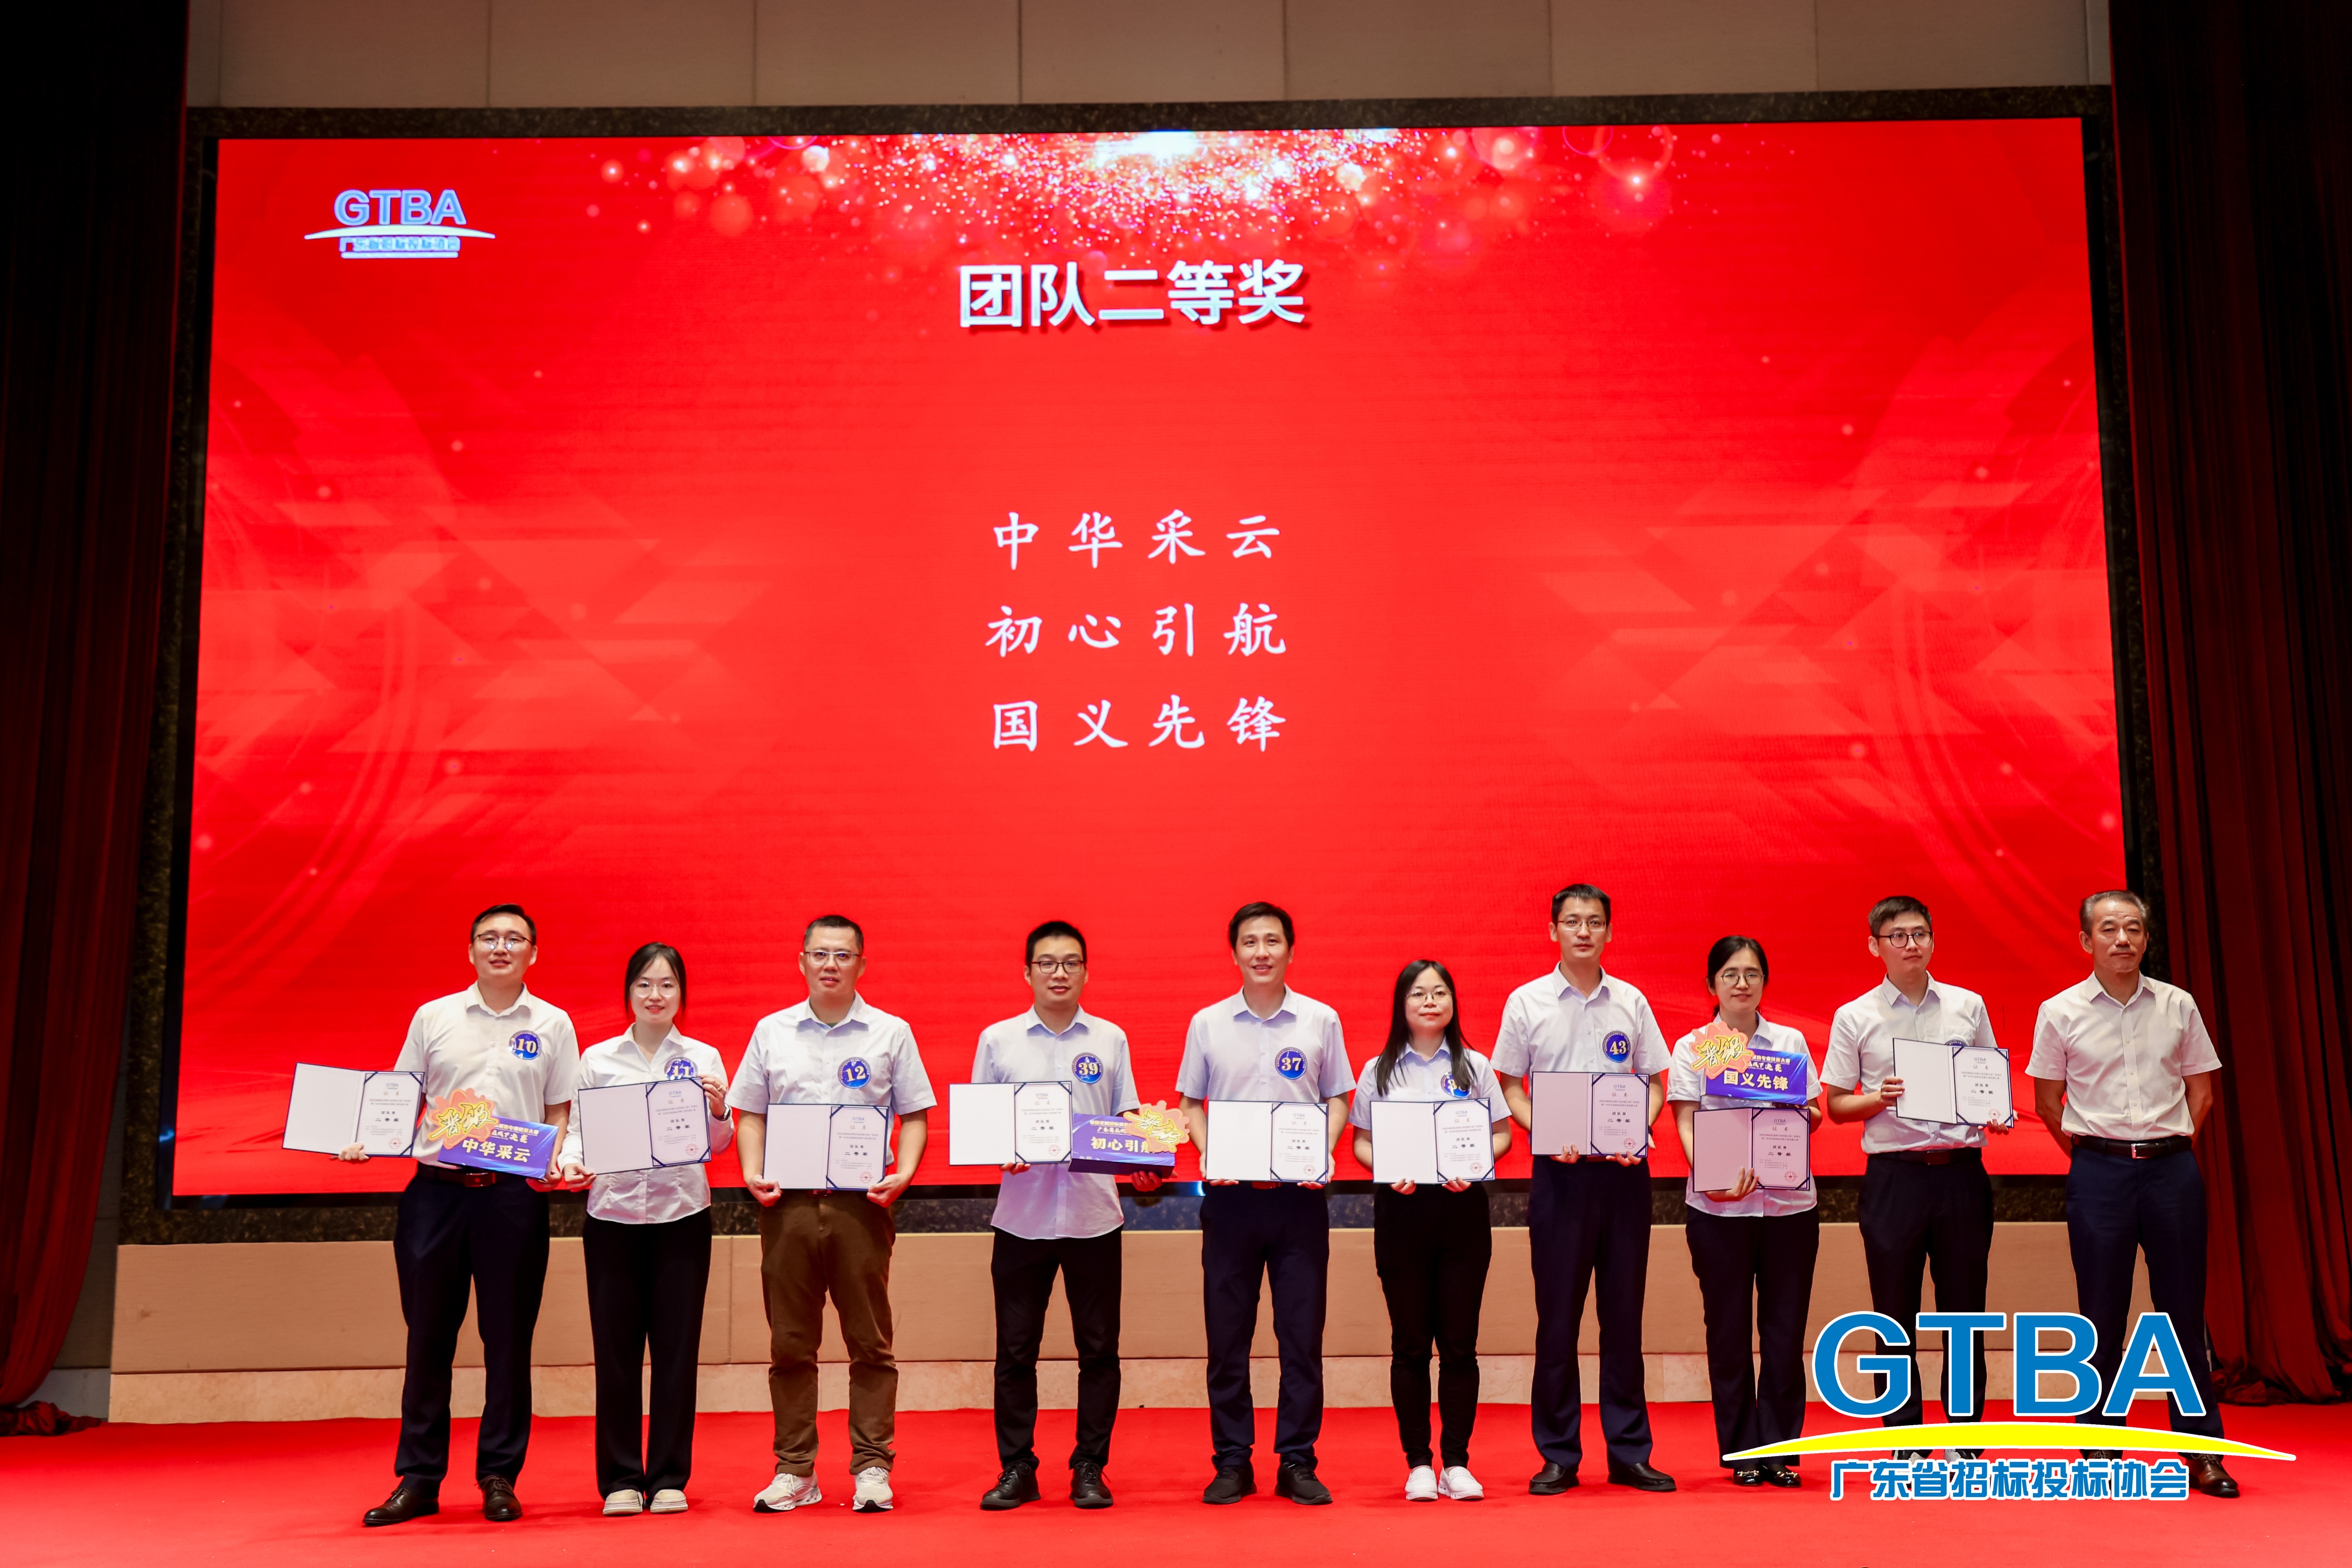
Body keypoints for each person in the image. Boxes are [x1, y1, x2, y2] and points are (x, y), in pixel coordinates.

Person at [341, 903, 580, 1528]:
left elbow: (559, 1109)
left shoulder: (553, 1023)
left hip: (512, 1199)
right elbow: (399, 1099)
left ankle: (499, 1475)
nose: (501, 947)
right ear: (470, 950)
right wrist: (364, 1138)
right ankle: (419, 1479)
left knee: (508, 1340)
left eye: (514, 939)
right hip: (436, 1197)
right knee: (427, 1338)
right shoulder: (435, 1016)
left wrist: (555, 1158)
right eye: (488, 938)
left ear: (534, 953)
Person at [2027, 891, 2237, 1498]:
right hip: (2099, 1175)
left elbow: (2202, 1093)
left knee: (2182, 1315)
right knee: (2100, 1314)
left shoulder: (2177, 1004)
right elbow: (2048, 1102)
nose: (2123, 939)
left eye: (2134, 929)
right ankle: (2099, 1448)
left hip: (2172, 1173)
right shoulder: (2059, 1011)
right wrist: (2097, 1157)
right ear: (2085, 940)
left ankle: (2202, 1450)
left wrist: (2168, 1148)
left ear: (2146, 939)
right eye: (2109, 929)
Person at [728, 916, 933, 1515]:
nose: (830, 965)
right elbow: (750, 1112)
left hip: (860, 1208)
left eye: (843, 955)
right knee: (791, 1345)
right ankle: (795, 1470)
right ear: (801, 961)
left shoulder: (891, 1032)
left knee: (870, 1342)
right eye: (820, 953)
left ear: (861, 965)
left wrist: (904, 1173)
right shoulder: (772, 1031)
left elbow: (915, 1115)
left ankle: (872, 1465)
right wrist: (751, 1169)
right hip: (787, 1206)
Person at [972, 920, 1167, 1512]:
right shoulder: (998, 1040)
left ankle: (1090, 1467)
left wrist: (1148, 1158)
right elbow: (983, 1122)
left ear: (1085, 971)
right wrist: (999, 1148)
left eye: (1071, 963)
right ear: (1027, 971)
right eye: (1047, 963)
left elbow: (1127, 1118)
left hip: (1093, 1219)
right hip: (1020, 1219)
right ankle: (1017, 1468)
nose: (1059, 973)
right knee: (1015, 1353)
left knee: (1099, 1351)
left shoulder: (1110, 1039)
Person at [1494, 883, 1676, 1494]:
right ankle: (1558, 1455)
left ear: (1608, 932)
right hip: (1559, 1179)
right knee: (1557, 1322)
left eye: (1594, 922)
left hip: (1623, 1177)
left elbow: (1654, 1081)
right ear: (1553, 931)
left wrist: (1638, 1129)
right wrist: (1544, 1132)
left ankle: (1629, 1452)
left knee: (1623, 1319)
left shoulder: (1631, 1001)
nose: (1583, 932)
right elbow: (1510, 1086)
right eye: (1571, 922)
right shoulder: (1526, 1002)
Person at [1177, 901, 1354, 1506]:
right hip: (1230, 1205)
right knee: (1227, 1339)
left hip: (1298, 1204)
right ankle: (1232, 1461)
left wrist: (1322, 1151)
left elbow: (1338, 1098)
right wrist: (1209, 1154)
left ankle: (1297, 1460)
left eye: (1272, 941)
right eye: (1250, 942)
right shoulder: (1207, 1023)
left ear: (1290, 951)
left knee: (1300, 1338)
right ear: (1234, 954)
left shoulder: (1320, 1020)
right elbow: (1190, 1104)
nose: (1261, 952)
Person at [1822, 895, 2009, 1455]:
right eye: (1898, 936)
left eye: (1920, 934)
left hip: (1960, 1175)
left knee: (1965, 1309)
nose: (1911, 945)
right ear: (1874, 946)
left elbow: (1986, 1081)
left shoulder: (1967, 1006)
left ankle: (1963, 1434)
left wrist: (1996, 1111)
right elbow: (1836, 1105)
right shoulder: (1855, 1016)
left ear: (1932, 940)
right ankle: (1904, 1434)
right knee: (1894, 1310)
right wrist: (1878, 1098)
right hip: (1894, 1178)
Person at [555, 942, 733, 1516]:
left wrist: (719, 1111)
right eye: (644, 985)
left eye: (667, 985)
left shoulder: (703, 1057)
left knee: (678, 1351)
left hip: (683, 1217)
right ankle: (621, 1480)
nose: (656, 996)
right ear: (629, 993)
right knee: (616, 1352)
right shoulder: (599, 1059)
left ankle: (669, 1477)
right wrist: (572, 1164)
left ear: (682, 994)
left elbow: (719, 1145)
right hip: (613, 1218)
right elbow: (578, 1133)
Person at [1347, 960, 1512, 1502]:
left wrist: (1478, 1164)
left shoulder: (1475, 1066)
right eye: (1419, 993)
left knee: (1460, 1345)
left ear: (1452, 1003)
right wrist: (1385, 1169)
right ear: (1402, 1004)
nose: (1430, 1002)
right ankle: (1419, 1463)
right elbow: (1361, 1142)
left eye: (1440, 992)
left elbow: (1503, 1134)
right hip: (1402, 1215)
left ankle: (1457, 1463)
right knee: (1411, 1344)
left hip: (1463, 1213)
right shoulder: (1378, 1070)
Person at [1667, 936, 1822, 1488]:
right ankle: (1741, 1452)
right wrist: (1712, 1180)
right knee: (1728, 1334)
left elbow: (1815, 1114)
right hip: (1719, 1212)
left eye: (1752, 973)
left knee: (1784, 1333)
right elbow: (1685, 1120)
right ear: (1712, 984)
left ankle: (1779, 1449)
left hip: (1788, 1209)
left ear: (1764, 982)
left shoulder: (1789, 1043)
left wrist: (1795, 1110)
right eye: (1730, 974)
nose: (1741, 983)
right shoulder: (1695, 1046)